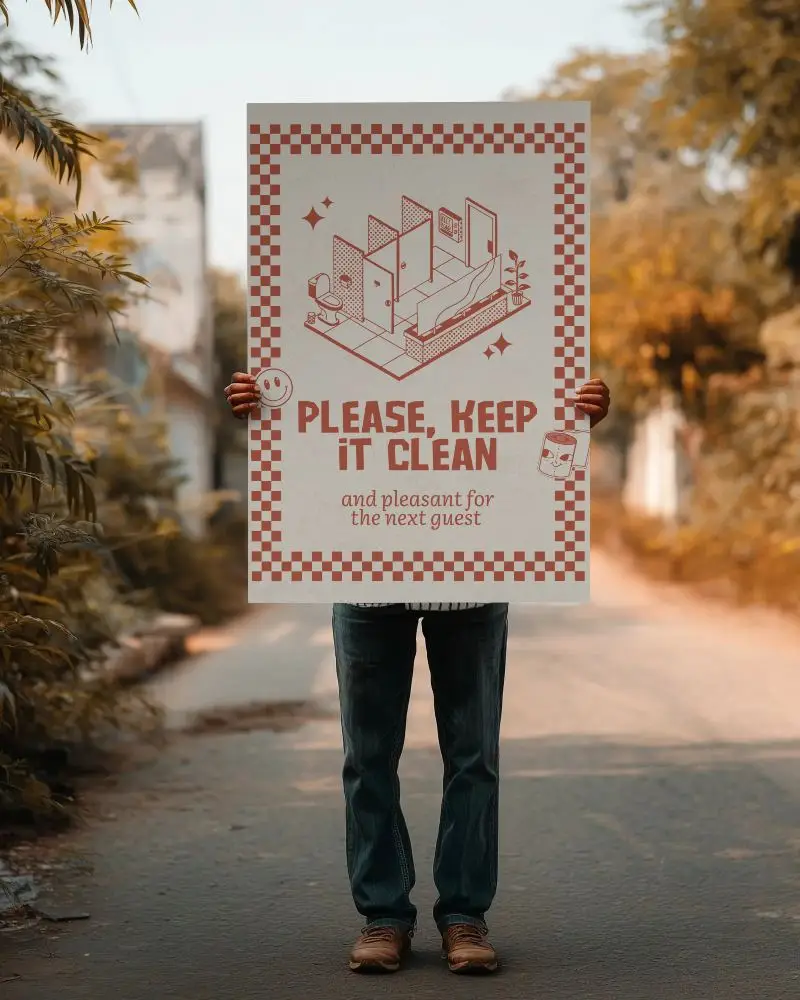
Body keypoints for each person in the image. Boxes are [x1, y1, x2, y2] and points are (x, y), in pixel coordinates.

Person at [225, 371, 611, 974]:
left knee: (473, 756)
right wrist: (265, 405)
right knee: (367, 757)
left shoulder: (500, 340)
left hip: (474, 573)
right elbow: (312, 418)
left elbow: (528, 428)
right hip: (363, 572)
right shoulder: (340, 347)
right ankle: (383, 915)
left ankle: (463, 915)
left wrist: (576, 414)